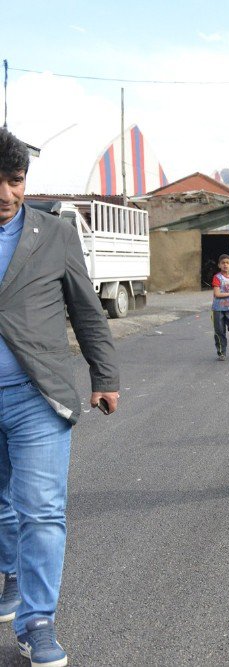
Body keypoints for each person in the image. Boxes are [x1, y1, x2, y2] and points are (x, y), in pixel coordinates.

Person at [0, 128, 119, 667]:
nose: (5, 191)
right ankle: (10, 577)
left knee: (42, 511)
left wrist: (105, 375)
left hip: (36, 395)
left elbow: (86, 311)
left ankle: (37, 621)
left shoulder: (54, 234)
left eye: (15, 179)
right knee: (3, 508)